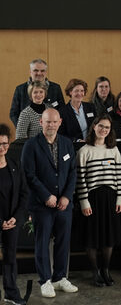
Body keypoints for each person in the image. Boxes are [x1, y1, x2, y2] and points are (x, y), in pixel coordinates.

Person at [21, 108, 78, 298]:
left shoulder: (67, 143)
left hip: (64, 204)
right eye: (47, 122)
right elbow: (29, 175)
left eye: (54, 122)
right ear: (41, 122)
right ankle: (45, 280)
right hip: (41, 204)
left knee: (63, 241)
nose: (51, 125)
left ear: (60, 122)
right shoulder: (31, 145)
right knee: (42, 242)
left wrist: (66, 196)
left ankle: (59, 278)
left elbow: (72, 173)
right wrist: (46, 196)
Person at [76, 115, 121, 287]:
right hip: (92, 199)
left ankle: (106, 269)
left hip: (110, 198)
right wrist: (84, 202)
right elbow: (80, 179)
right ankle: (95, 271)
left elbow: (119, 176)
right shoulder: (84, 151)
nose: (104, 130)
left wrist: (120, 198)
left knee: (108, 236)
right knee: (92, 237)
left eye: (107, 128)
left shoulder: (114, 150)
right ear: (94, 127)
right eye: (101, 126)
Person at [0, 124, 28, 305]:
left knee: (10, 258)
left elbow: (24, 194)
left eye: (4, 143)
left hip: (11, 221)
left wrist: (15, 218)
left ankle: (11, 293)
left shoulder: (15, 165)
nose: (1, 148)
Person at [10, 58, 64, 126]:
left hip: (51, 131)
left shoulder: (56, 88)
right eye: (36, 70)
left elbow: (62, 110)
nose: (39, 73)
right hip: (28, 134)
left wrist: (55, 127)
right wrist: (23, 128)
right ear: (30, 72)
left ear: (46, 72)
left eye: (42, 71)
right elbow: (13, 113)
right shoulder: (20, 89)